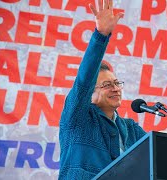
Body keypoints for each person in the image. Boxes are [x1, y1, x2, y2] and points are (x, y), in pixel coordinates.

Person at [58, 0, 146, 179]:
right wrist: (101, 35)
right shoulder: (78, 119)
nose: (115, 88)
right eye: (107, 85)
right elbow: (84, 80)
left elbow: (156, 155)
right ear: (90, 95)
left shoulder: (131, 129)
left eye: (116, 83)